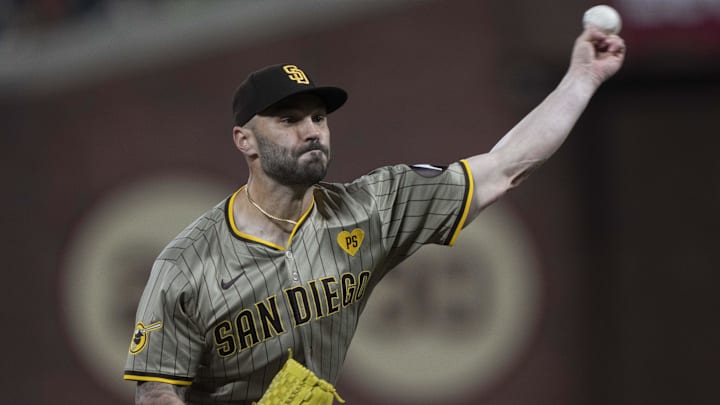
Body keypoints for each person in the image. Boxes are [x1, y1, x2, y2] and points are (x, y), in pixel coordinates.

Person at [123, 27, 625, 404]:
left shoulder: (371, 208)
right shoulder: (187, 264)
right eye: (289, 120)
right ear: (245, 140)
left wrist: (582, 78)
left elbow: (503, 169)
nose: (312, 131)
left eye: (318, 117)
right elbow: (155, 394)